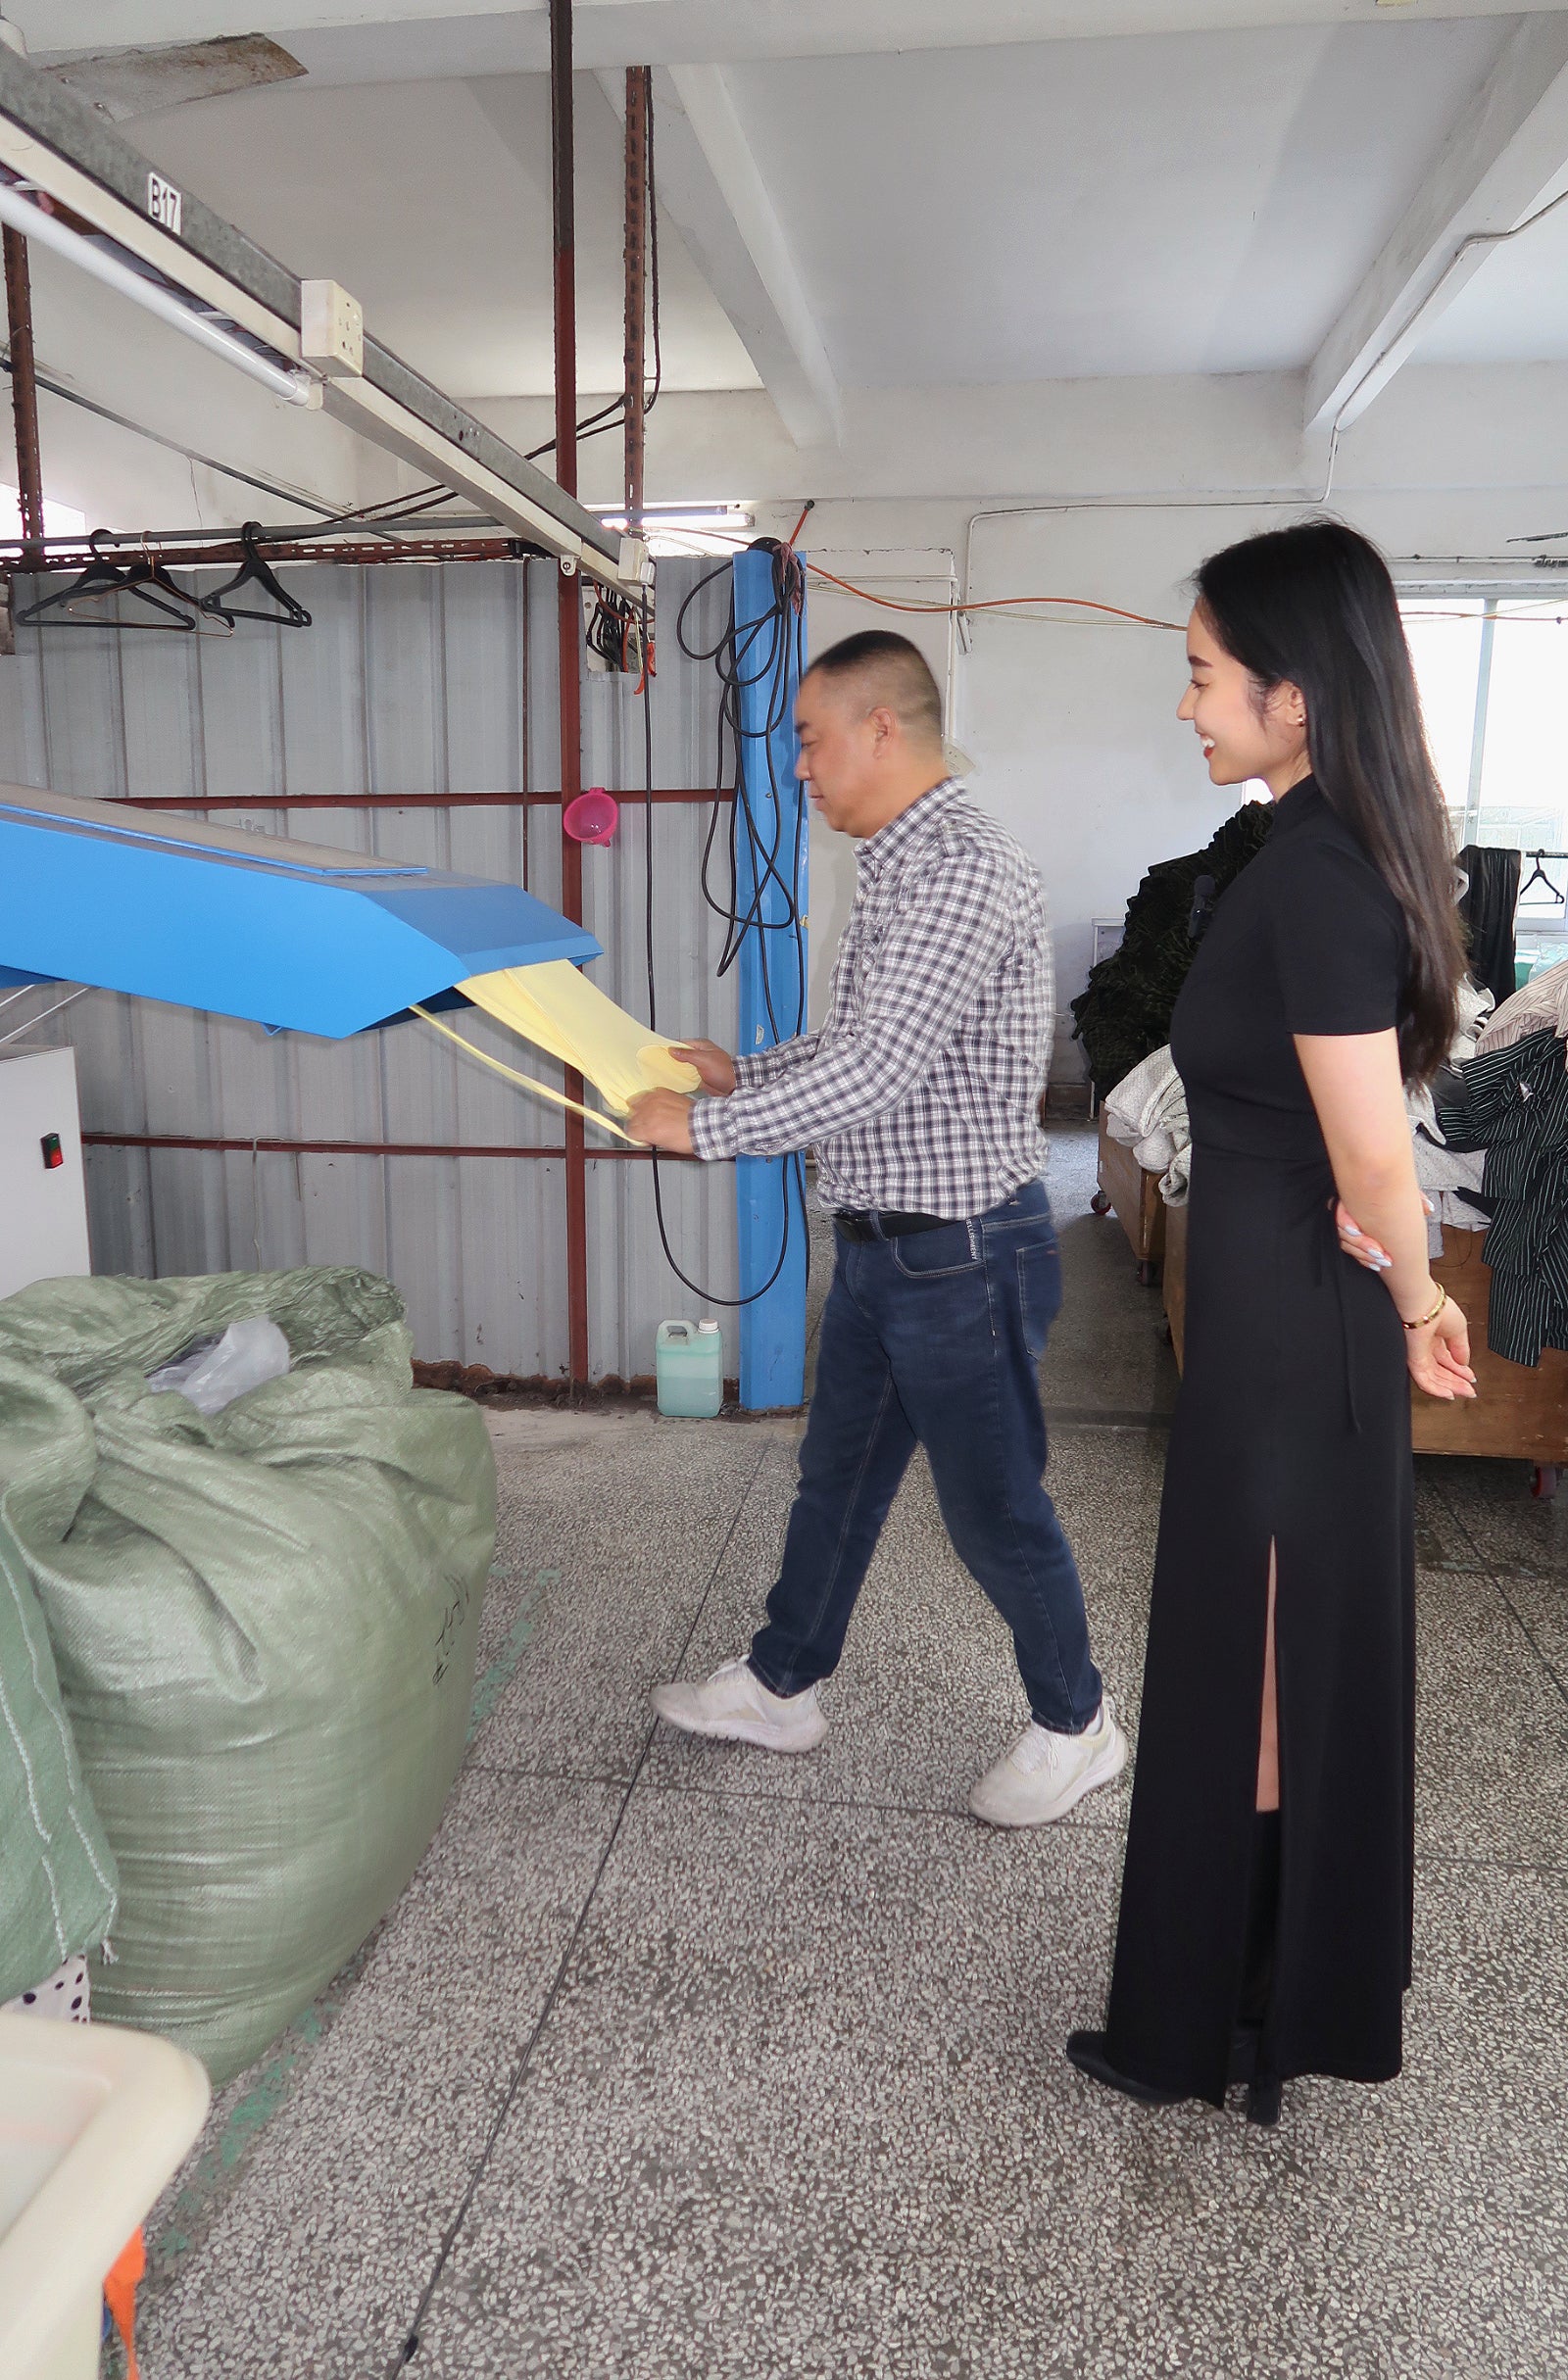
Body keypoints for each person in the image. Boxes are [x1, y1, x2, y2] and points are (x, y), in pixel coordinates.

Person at [1066, 520, 1475, 2127]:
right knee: (1262, 1662)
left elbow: (1374, 1148)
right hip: (1272, 1320)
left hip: (1300, 1338)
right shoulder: (1302, 844)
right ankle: (1243, 2000)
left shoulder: (1316, 873)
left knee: (1259, 1655)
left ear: (1297, 696)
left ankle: (1218, 2011)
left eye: (1201, 674)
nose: (1187, 704)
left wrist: (1421, 1296)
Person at [626, 628, 1124, 1827]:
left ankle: (1079, 1724)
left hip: (963, 1253)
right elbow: (861, 1044)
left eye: (808, 738)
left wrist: (700, 1131)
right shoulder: (898, 863)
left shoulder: (958, 863)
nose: (800, 767)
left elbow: (878, 1065)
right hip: (883, 1249)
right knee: (834, 1479)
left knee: (994, 1508)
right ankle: (781, 1684)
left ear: (880, 729)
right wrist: (740, 1074)